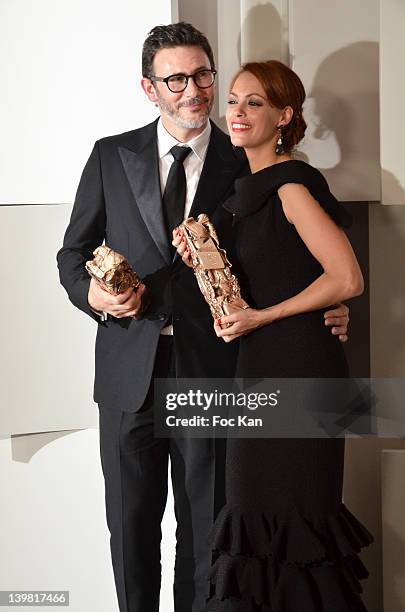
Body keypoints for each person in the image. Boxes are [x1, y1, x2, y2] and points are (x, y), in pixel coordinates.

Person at [57, 23, 351, 612]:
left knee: (207, 535)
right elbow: (72, 253)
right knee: (130, 531)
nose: (194, 90)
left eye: (203, 75)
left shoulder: (248, 160)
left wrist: (334, 303)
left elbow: (289, 254)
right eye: (176, 79)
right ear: (149, 88)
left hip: (217, 367)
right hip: (126, 370)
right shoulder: (110, 155)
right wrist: (96, 296)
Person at [183, 60, 371, 611]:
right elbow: (267, 280)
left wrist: (265, 316)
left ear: (285, 116)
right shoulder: (244, 192)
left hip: (301, 370)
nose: (237, 112)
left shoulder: (291, 187)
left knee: (296, 520)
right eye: (234, 101)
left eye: (255, 103)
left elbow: (348, 278)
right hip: (259, 368)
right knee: (252, 512)